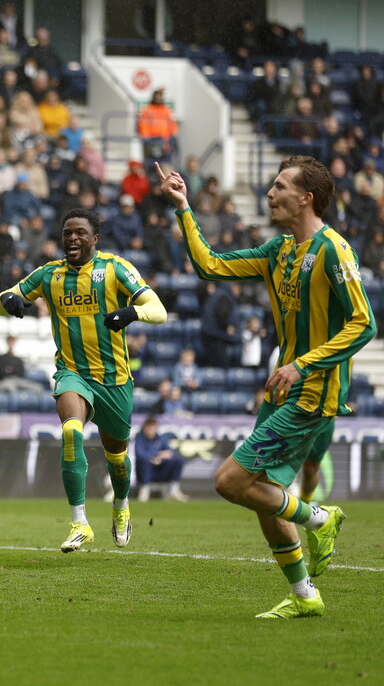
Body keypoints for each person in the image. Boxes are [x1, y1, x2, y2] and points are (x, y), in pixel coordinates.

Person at [158, 155, 376, 618]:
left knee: (229, 481)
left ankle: (320, 517)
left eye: (279, 186)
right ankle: (304, 597)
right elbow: (210, 266)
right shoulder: (277, 250)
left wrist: (302, 366)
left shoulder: (335, 250)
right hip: (283, 392)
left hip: (313, 392)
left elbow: (364, 324)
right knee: (262, 498)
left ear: (305, 197)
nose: (270, 194)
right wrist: (183, 206)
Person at [0, 207, 167, 553]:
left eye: (80, 233)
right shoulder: (49, 275)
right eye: (67, 233)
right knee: (71, 430)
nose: (72, 238)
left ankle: (120, 506)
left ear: (95, 239)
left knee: (117, 458)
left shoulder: (115, 268)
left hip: (115, 379)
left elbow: (158, 311)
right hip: (73, 372)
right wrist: (9, 300)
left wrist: (132, 311)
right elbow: (0, 301)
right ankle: (80, 522)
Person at [133, 416, 189, 502]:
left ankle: (174, 490)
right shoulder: (139, 439)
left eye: (153, 428)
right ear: (144, 428)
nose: (151, 431)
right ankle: (144, 491)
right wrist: (155, 457)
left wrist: (162, 458)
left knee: (178, 461)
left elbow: (170, 452)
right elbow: (140, 454)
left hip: (160, 470)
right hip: (145, 472)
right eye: (149, 428)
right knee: (145, 462)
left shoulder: (160, 439)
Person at [138, 88, 178, 161]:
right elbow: (142, 125)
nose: (158, 99)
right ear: (153, 98)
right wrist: (146, 138)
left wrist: (172, 137)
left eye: (160, 97)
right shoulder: (147, 110)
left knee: (166, 162)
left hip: (164, 140)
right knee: (150, 162)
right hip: (151, 139)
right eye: (156, 97)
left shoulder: (166, 110)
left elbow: (172, 125)